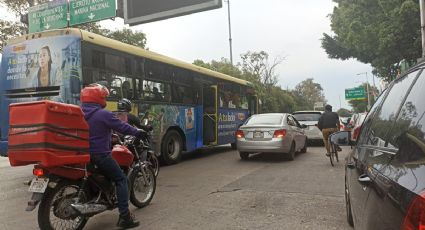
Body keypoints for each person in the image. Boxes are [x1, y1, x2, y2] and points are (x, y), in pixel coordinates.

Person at [80, 84, 143, 229]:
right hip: (100, 155)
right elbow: (123, 127)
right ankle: (125, 217)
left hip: (82, 155)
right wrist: (138, 132)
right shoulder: (103, 114)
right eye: (104, 96)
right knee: (121, 179)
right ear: (98, 98)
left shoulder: (79, 112)